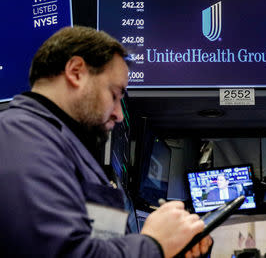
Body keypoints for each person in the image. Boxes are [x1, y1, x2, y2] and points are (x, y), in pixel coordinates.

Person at [0, 26, 212, 258]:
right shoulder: (20, 136)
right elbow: (57, 251)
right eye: (114, 94)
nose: (119, 115)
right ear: (76, 71)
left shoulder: (63, 147)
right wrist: (153, 244)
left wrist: (169, 249)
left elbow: (98, 244)